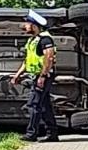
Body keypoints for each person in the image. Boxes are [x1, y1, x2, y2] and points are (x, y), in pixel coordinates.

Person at [10, 10, 59, 142]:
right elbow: (28, 60)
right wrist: (17, 75)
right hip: (36, 75)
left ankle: (31, 134)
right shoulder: (32, 40)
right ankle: (52, 133)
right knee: (45, 105)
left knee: (34, 104)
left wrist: (43, 76)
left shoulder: (45, 39)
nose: (24, 26)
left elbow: (49, 58)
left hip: (43, 76)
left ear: (34, 25)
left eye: (27, 23)